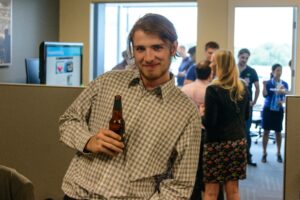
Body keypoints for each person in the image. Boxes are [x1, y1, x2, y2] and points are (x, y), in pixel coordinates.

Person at [59, 13, 202, 199]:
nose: (148, 57)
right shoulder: (106, 82)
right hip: (76, 194)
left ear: (173, 47)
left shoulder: (186, 113)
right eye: (141, 49)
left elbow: (179, 185)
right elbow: (68, 121)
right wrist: (89, 141)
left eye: (157, 47)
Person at [203, 50, 250, 200]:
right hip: (238, 142)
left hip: (216, 144)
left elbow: (210, 123)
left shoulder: (212, 89)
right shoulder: (242, 87)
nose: (210, 64)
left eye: (213, 61)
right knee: (233, 190)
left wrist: (201, 115)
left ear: (219, 66)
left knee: (211, 192)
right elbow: (247, 116)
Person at [261, 63, 288, 163]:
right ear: (273, 72)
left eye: (280, 70)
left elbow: (286, 97)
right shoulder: (268, 83)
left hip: (278, 110)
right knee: (266, 132)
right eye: (277, 70)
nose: (279, 72)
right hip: (268, 109)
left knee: (278, 132)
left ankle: (279, 153)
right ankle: (264, 153)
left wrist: (283, 101)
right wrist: (263, 86)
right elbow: (264, 95)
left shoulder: (284, 83)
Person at [237, 48, 260, 167]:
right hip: (235, 105)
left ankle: (247, 156)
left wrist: (254, 101)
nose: (244, 60)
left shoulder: (252, 71)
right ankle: (236, 157)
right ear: (238, 56)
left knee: (246, 131)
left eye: (246, 58)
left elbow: (257, 87)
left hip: (247, 106)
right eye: (242, 57)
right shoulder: (233, 70)